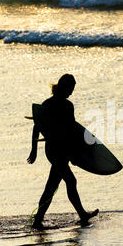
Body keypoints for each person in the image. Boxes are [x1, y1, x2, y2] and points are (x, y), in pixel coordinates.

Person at [27, 74, 98, 229]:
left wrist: (75, 154)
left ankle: (38, 220)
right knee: (70, 181)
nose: (72, 93)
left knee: (52, 186)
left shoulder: (68, 106)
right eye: (71, 89)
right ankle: (82, 214)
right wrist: (34, 150)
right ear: (64, 87)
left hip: (65, 149)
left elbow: (73, 131)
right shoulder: (48, 105)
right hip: (53, 150)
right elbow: (37, 126)